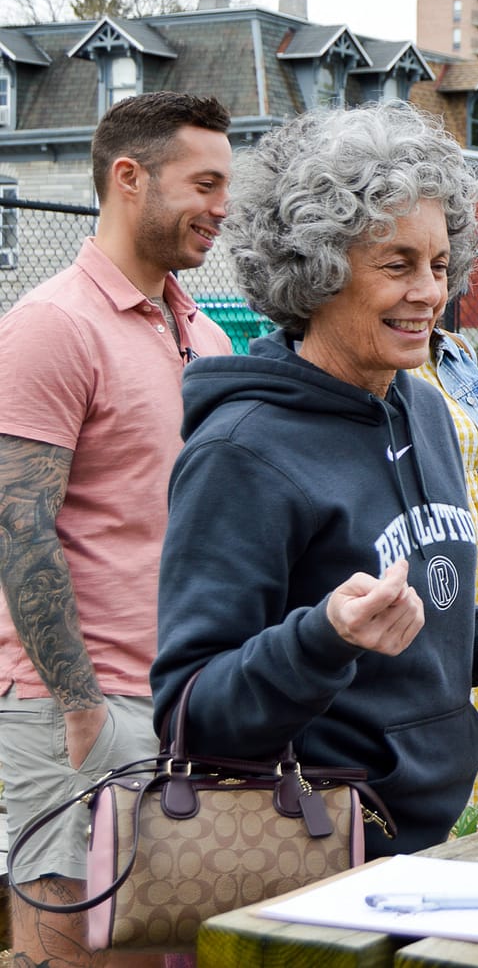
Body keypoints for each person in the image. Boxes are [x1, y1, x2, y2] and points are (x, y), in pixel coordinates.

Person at [149, 101, 478, 855]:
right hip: (306, 849)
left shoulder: (426, 409)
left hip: (429, 836)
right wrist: (322, 637)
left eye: (438, 264)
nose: (430, 292)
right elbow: (189, 711)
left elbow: (415, 608)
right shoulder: (241, 451)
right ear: (319, 270)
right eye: (396, 264)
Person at [0, 92, 234, 967]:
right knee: (70, 957)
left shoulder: (204, 336)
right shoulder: (50, 327)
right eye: (204, 182)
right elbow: (18, 522)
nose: (222, 205)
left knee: (160, 954)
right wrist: (80, 705)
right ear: (128, 178)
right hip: (80, 708)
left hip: (185, 705)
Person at [408, 327, 478, 807]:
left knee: (476, 784)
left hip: (475, 569)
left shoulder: (456, 353)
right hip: (420, 567)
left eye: (442, 263)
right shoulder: (371, 359)